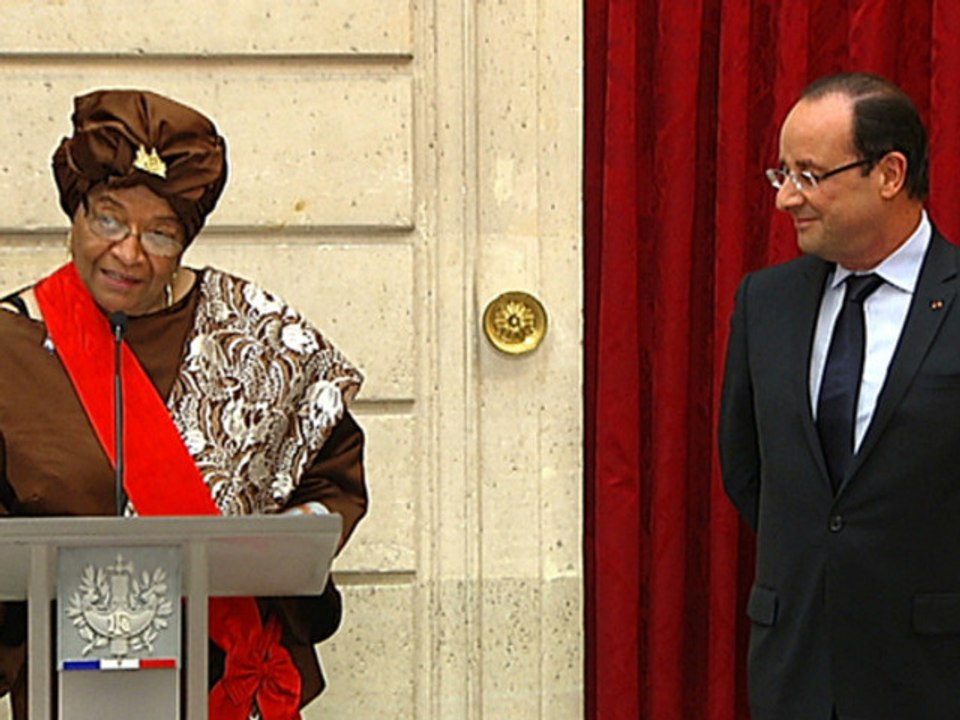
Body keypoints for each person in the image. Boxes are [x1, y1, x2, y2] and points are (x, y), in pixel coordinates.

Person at [0, 89, 367, 718]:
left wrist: (290, 540)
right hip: (71, 686)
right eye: (108, 219)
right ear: (75, 211)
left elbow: (332, 472)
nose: (128, 253)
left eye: (161, 233)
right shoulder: (10, 346)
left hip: (226, 682)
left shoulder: (256, 333)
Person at [719, 72, 960, 720]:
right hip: (794, 669)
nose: (786, 200)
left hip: (931, 674)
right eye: (782, 175)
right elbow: (747, 470)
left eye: (809, 175)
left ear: (889, 173)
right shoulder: (764, 304)